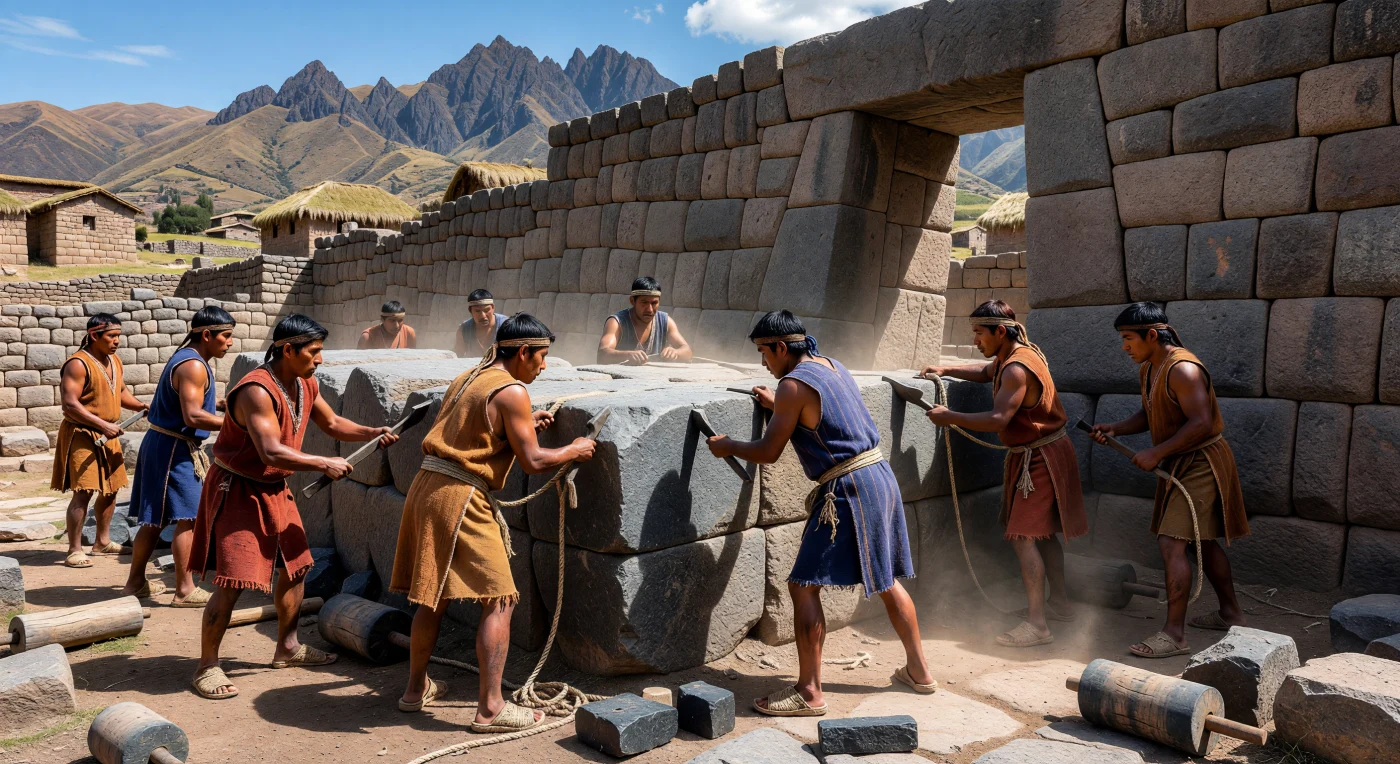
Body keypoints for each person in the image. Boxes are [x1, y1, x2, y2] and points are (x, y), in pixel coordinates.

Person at [705, 310, 936, 717]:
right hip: (878, 476)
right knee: (884, 579)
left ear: (781, 347)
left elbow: (768, 452)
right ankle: (919, 672)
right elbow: (824, 415)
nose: (763, 362)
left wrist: (729, 446)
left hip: (847, 489)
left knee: (802, 584)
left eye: (764, 352)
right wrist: (779, 405)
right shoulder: (831, 365)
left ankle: (810, 692)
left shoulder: (793, 385)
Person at [391, 313, 595, 730]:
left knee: (434, 597)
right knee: (499, 596)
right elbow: (535, 460)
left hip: (427, 487)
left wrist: (521, 426)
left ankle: (415, 690)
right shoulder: (513, 391)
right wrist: (574, 449)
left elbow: (476, 429)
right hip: (461, 497)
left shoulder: (472, 375)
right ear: (522, 352)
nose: (543, 366)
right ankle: (491, 708)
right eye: (542, 358)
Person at [187, 314, 398, 699]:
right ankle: (207, 666)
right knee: (233, 582)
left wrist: (372, 432)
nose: (319, 360)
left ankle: (287, 647)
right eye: (314, 352)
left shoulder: (305, 383)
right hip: (239, 490)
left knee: (296, 568)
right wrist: (323, 462)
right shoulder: (256, 390)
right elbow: (269, 449)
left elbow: (333, 423)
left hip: (272, 486)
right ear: (288, 349)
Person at [921, 300, 1087, 648]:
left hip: (1039, 457)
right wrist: (946, 369)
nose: (976, 340)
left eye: (980, 333)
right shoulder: (1017, 355)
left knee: (1024, 536)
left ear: (1000, 331)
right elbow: (985, 372)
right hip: (1046, 451)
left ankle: (1038, 625)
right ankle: (1060, 605)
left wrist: (949, 416)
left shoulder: (1015, 369)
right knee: (1043, 535)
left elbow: (998, 420)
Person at [1091, 302, 1249, 658]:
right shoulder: (1151, 367)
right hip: (1180, 460)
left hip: (1202, 461)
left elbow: (1201, 423)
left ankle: (1174, 635)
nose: (1124, 346)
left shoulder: (1183, 370)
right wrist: (1116, 428)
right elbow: (1151, 412)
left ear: (1151, 335)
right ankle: (1231, 614)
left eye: (1128, 338)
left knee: (1172, 542)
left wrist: (1157, 452)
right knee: (1198, 542)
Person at [122, 307, 236, 605]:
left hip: (164, 443)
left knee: (156, 520)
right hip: (174, 448)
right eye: (226, 336)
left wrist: (221, 406)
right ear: (207, 335)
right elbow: (193, 415)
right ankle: (184, 590)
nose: (230, 342)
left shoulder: (188, 359)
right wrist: (239, 423)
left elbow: (193, 406)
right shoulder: (194, 366)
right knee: (190, 517)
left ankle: (135, 582)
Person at [54, 314, 148, 569]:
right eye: (111, 337)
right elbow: (70, 404)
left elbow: (120, 392)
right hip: (83, 434)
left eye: (118, 336)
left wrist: (141, 405)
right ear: (94, 336)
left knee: (110, 490)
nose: (117, 341)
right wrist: (103, 424)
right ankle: (74, 549)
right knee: (83, 492)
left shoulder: (113, 360)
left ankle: (102, 542)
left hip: (109, 434)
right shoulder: (77, 364)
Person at [597, 277, 692, 365]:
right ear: (632, 301)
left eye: (654, 303)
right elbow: (602, 354)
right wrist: (627, 355)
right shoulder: (617, 323)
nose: (650, 309)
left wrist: (675, 352)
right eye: (644, 302)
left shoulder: (666, 322)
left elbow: (687, 351)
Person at [454, 290, 507, 357]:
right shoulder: (464, 330)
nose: (483, 316)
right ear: (470, 311)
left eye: (487, 310)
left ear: (493, 308)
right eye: (477, 311)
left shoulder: (506, 326)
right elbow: (458, 355)